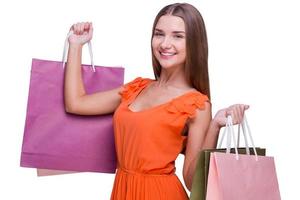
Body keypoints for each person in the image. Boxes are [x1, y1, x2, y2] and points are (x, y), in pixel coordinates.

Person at [64, 3, 249, 200]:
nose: (164, 44)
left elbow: (191, 181)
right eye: (159, 34)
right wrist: (75, 45)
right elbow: (76, 103)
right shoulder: (136, 88)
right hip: (123, 190)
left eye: (177, 36)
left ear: (194, 44)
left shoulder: (196, 104)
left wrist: (215, 126)